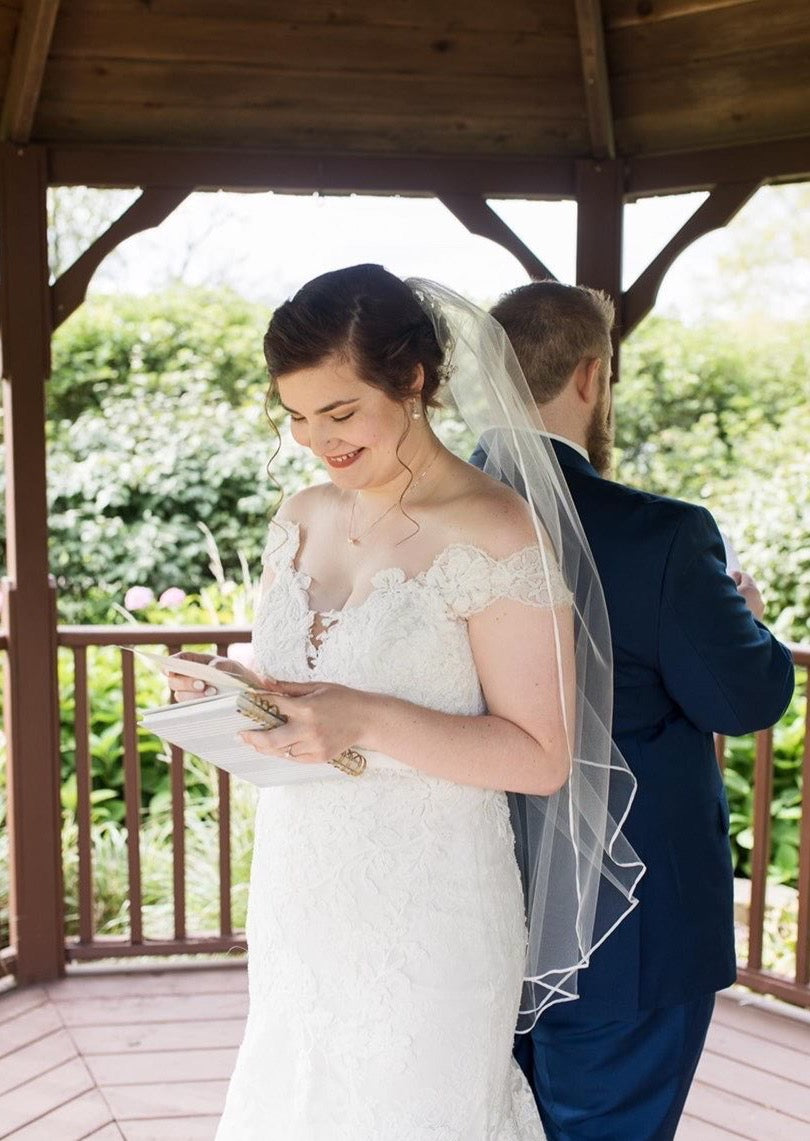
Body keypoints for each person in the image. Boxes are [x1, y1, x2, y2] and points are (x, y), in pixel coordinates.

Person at [168, 265, 641, 1140]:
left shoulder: (496, 531)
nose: (316, 440)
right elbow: (316, 669)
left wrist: (367, 718)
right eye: (297, 415)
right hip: (301, 890)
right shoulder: (300, 514)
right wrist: (233, 683)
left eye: (340, 413)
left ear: (413, 381)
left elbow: (540, 754)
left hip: (432, 910)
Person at [472, 280, 795, 1141]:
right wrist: (751, 620)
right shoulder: (663, 535)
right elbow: (748, 694)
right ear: (591, 377)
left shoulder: (423, 524)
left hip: (469, 908)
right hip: (632, 929)